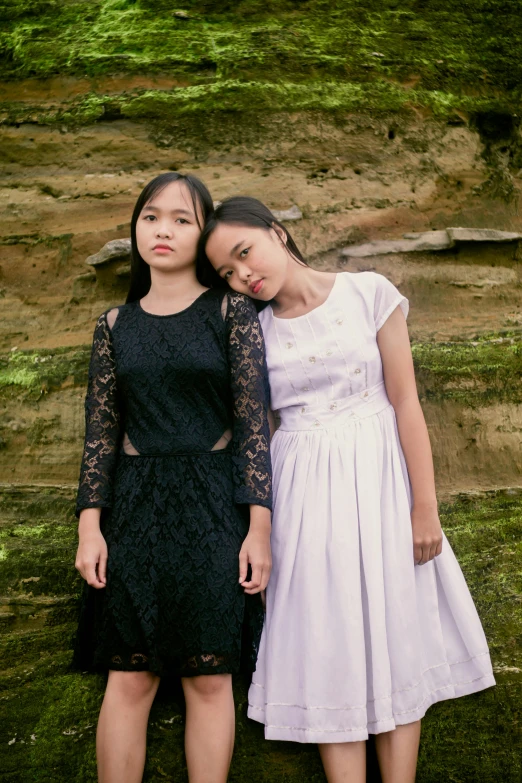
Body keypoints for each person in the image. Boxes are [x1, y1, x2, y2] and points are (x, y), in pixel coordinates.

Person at [198, 196, 495, 783]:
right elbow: (257, 431)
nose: (243, 275)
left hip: (379, 475)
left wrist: (424, 506)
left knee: (394, 627)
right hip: (303, 490)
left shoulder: (368, 292)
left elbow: (406, 403)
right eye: (228, 274)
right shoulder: (251, 332)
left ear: (276, 232)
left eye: (244, 254)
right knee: (325, 632)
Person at [73, 175, 272, 783]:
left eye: (182, 220)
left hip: (214, 508)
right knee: (129, 676)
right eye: (152, 217)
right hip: (132, 512)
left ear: (203, 232)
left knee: (209, 676)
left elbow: (253, 426)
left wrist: (258, 527)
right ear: (136, 229)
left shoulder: (230, 311)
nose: (163, 229)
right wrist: (90, 528)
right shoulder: (114, 325)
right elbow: (100, 436)